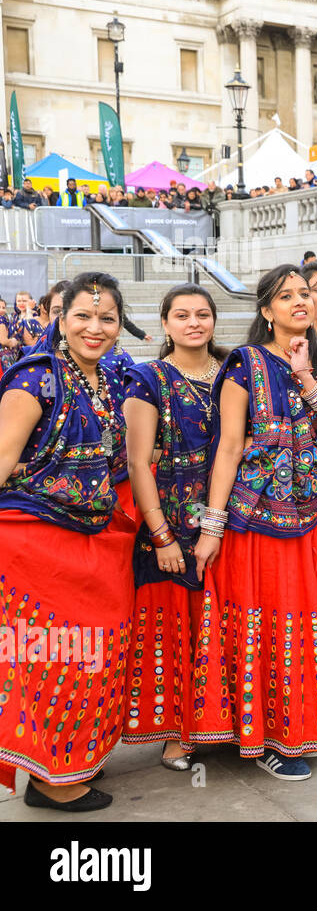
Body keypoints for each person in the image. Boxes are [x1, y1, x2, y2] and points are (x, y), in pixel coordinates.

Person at [191, 265, 317, 781]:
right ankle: (265, 736)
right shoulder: (246, 364)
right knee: (270, 620)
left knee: (309, 615)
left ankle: (305, 723)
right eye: (286, 297)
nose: (299, 303)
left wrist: (308, 375)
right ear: (267, 311)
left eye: (305, 294)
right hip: (256, 516)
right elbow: (228, 447)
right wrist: (211, 526)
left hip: (316, 512)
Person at [0, 272, 135, 811]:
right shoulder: (36, 380)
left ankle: (63, 765)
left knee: (87, 660)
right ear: (61, 320)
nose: (94, 327)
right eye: (82, 315)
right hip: (35, 545)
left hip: (91, 542)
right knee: (50, 662)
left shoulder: (105, 382)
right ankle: (53, 780)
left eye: (106, 318)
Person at [122, 285, 226, 773]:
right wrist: (161, 535)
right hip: (167, 525)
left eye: (202, 314)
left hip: (224, 518)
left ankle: (218, 721)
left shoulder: (230, 374)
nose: (193, 323)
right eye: (181, 315)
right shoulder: (148, 378)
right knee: (173, 632)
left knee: (216, 626)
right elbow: (138, 463)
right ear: (164, 324)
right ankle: (175, 736)